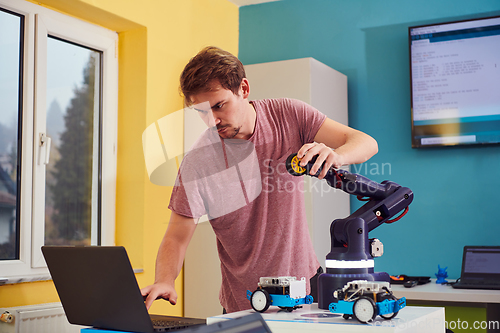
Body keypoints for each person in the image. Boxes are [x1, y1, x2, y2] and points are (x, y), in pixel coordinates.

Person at [141, 46, 378, 313]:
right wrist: (164, 279)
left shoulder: (288, 115)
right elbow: (176, 236)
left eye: (219, 106)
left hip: (306, 289)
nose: (212, 121)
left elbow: (365, 142)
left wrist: (335, 155)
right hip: (245, 302)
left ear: (243, 88)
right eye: (202, 112)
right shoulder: (198, 161)